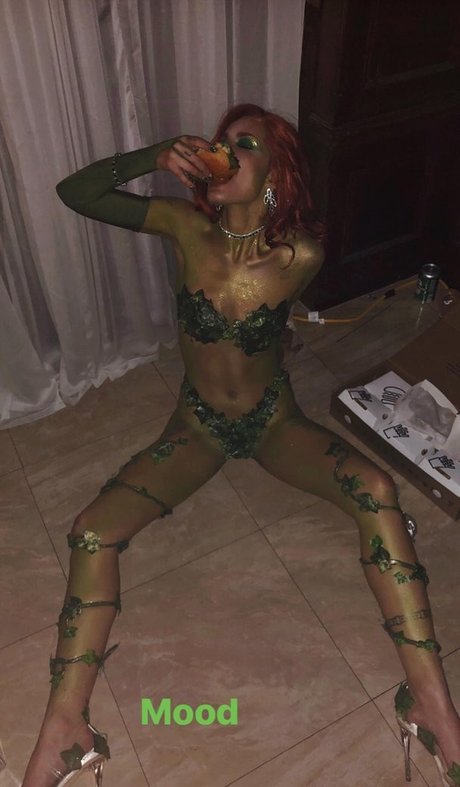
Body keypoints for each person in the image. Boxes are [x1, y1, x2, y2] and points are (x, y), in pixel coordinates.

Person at [22, 103, 460, 787]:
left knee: (377, 489)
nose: (222, 151)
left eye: (244, 144)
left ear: (277, 172)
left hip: (272, 423)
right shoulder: (184, 225)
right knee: (90, 532)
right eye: (220, 141)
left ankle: (432, 705)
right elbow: (76, 193)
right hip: (196, 425)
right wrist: (154, 156)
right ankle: (64, 727)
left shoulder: (302, 256)